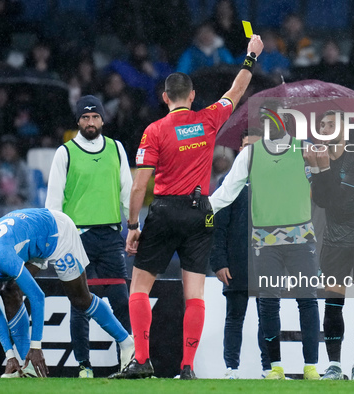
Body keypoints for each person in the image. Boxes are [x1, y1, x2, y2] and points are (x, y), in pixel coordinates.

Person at [112, 35, 264, 380]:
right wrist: (250, 57)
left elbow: (139, 184)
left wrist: (133, 225)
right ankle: (187, 367)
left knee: (139, 288)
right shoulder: (208, 119)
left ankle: (142, 360)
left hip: (165, 212)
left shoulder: (154, 131)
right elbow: (236, 92)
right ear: (192, 96)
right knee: (194, 293)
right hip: (201, 212)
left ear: (165, 97)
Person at [210, 104, 321, 381]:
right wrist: (201, 209)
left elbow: (324, 192)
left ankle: (311, 367)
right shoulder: (250, 154)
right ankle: (274, 367)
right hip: (266, 242)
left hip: (299, 239)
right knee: (271, 304)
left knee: (306, 301)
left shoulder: (305, 150)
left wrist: (320, 169)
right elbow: (226, 193)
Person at [0, 208, 134, 378]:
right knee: (11, 291)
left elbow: (37, 297)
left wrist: (37, 346)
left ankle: (127, 343)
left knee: (80, 299)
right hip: (30, 239)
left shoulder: (0, 256)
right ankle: (29, 367)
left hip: (57, 232)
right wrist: (9, 356)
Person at [45, 95, 133, 378]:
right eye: (85, 117)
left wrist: (134, 225)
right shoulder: (65, 152)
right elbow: (53, 203)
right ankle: (84, 365)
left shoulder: (116, 149)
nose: (91, 122)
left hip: (110, 236)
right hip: (76, 238)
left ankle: (129, 361)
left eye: (95, 117)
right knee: (81, 302)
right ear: (78, 121)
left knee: (121, 298)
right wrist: (56, 241)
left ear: (103, 119)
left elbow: (127, 192)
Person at [303, 111, 354, 381]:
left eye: (331, 124)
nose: (325, 129)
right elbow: (323, 202)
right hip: (335, 242)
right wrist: (315, 169)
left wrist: (321, 169)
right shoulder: (317, 157)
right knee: (333, 305)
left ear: (344, 129)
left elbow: (342, 201)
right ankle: (334, 366)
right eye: (322, 125)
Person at [209, 128, 271, 379]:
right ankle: (231, 368)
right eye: (245, 146)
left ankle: (269, 368)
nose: (249, 151)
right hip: (237, 260)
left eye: (254, 146)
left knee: (267, 318)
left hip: (268, 261)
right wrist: (219, 262)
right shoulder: (227, 182)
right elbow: (218, 226)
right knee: (235, 317)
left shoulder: (273, 180)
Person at [0, 134, 31, 206]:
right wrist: (4, 198)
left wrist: (19, 197)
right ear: (0, 149)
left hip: (18, 204)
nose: (8, 151)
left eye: (11, 148)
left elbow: (29, 187)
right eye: (5, 148)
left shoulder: (22, 166)